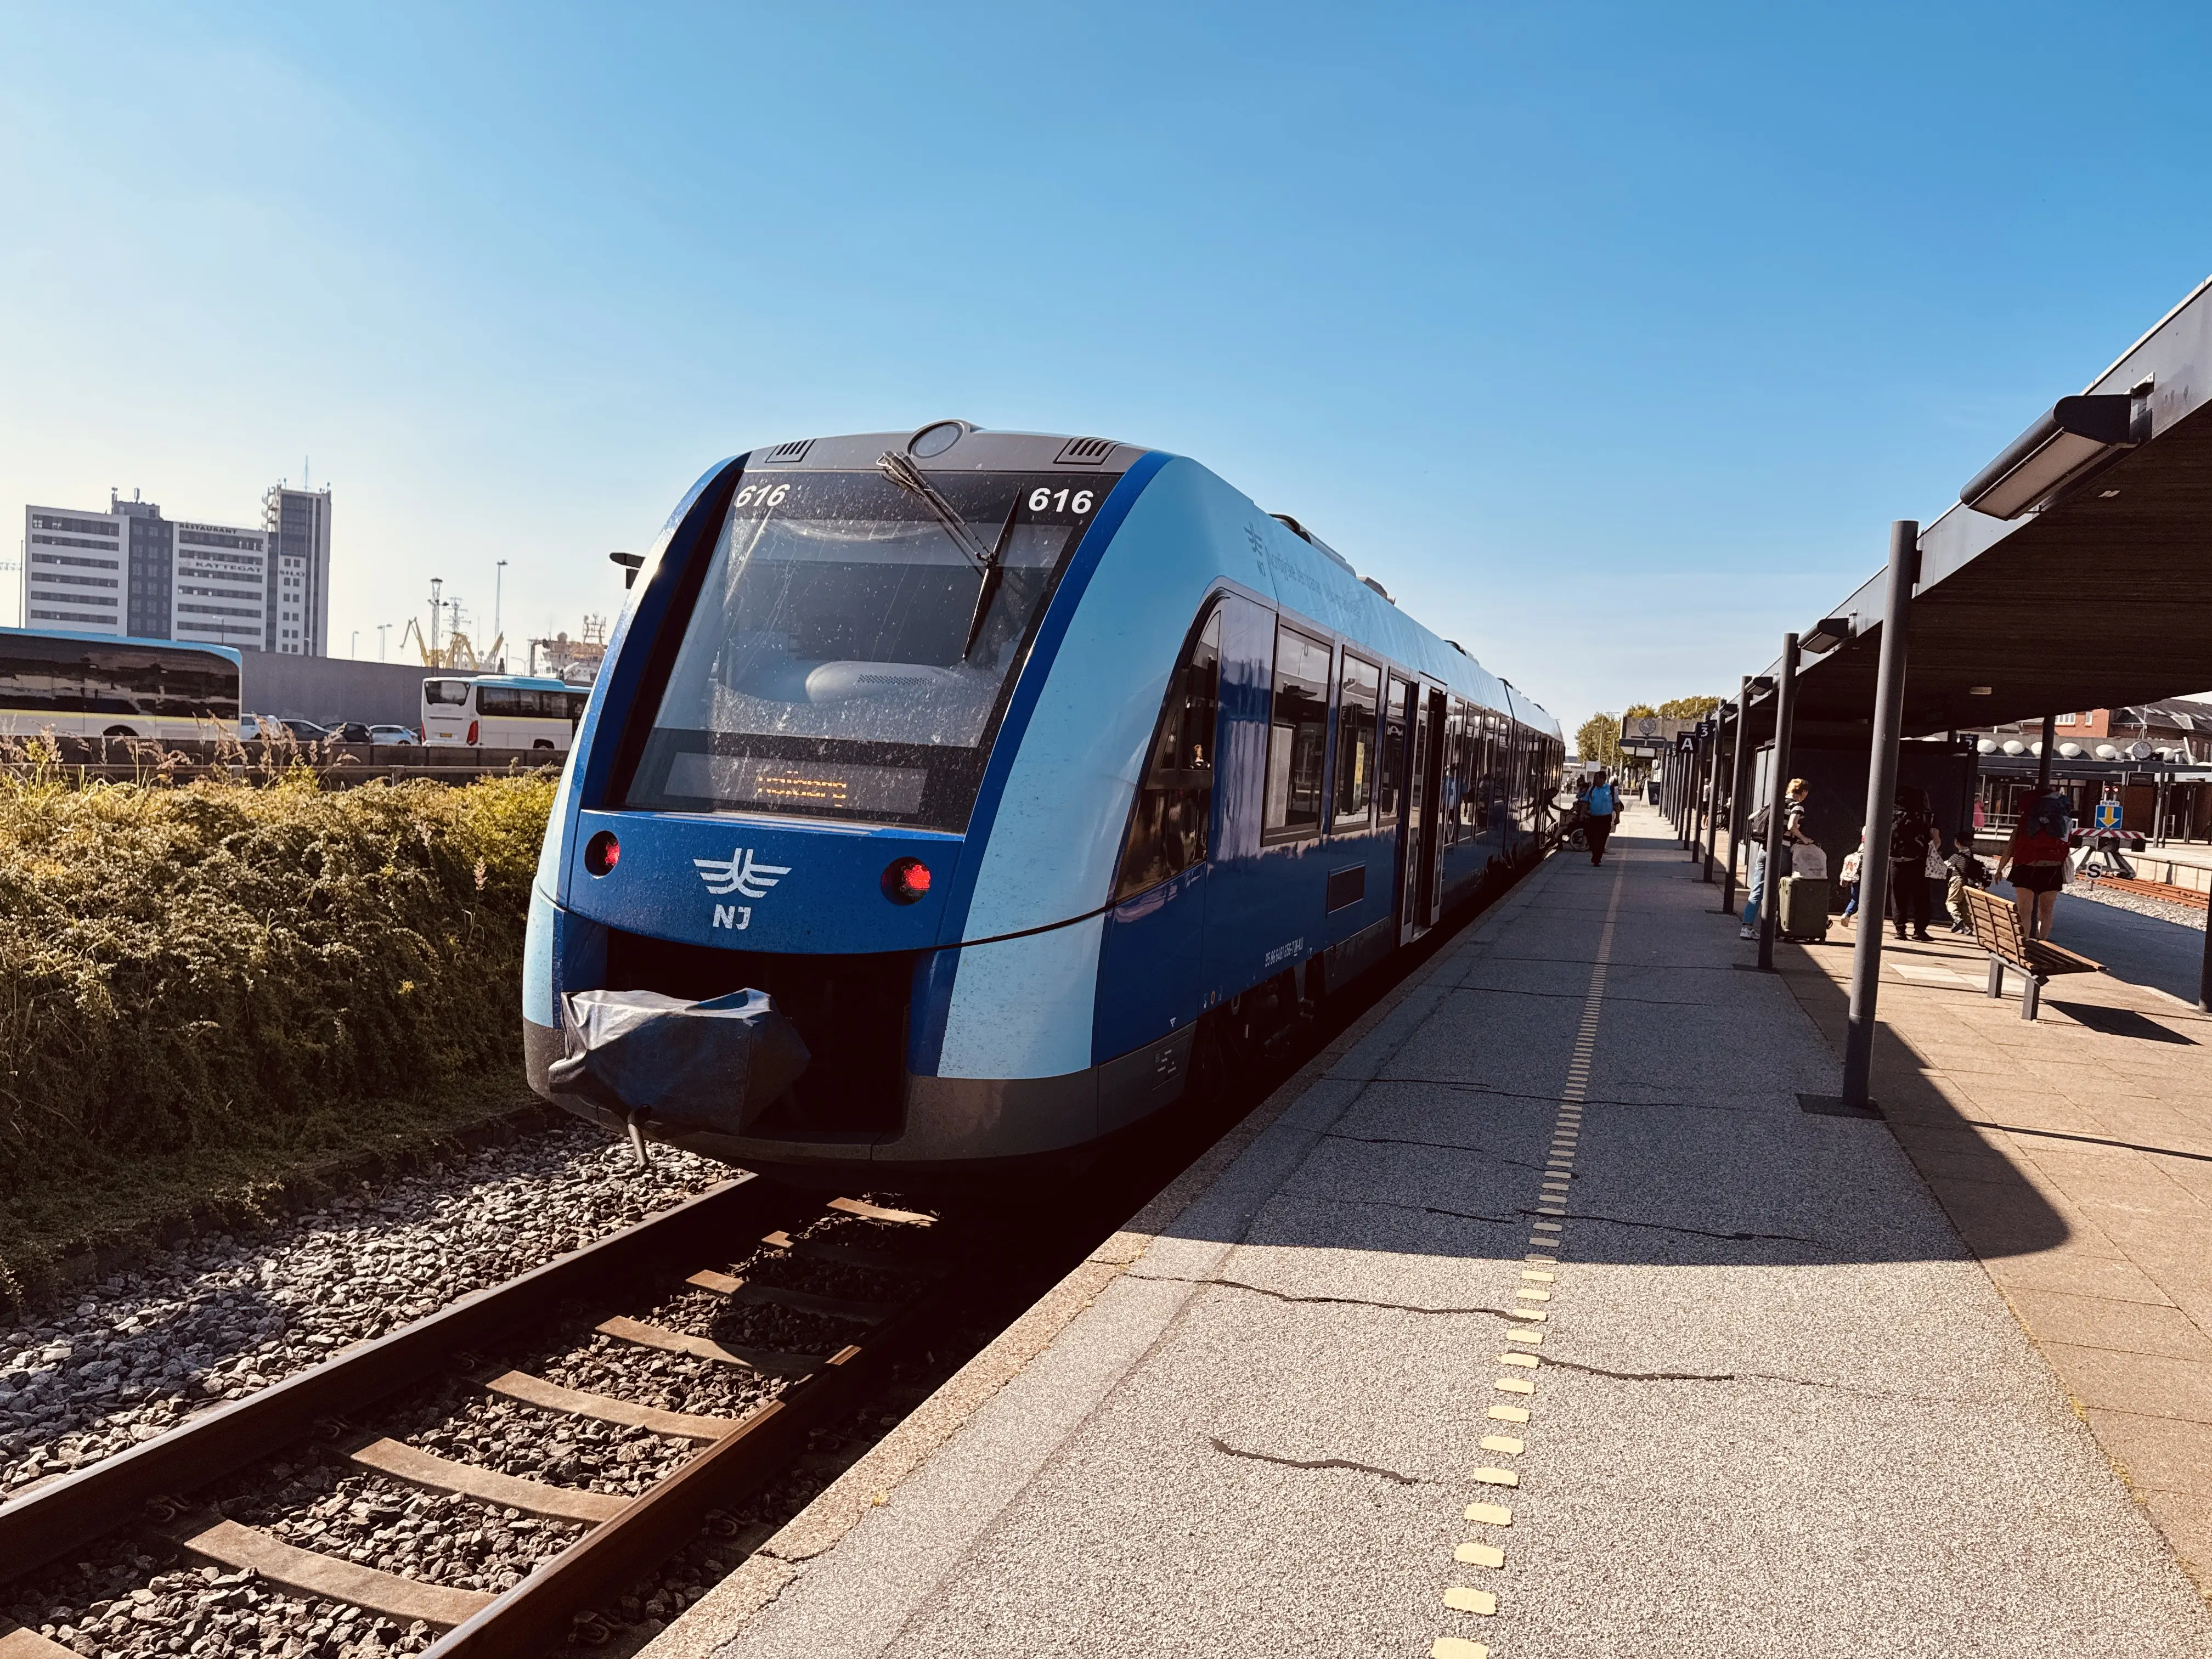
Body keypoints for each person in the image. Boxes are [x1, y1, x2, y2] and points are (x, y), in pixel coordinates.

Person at [1740, 777, 1811, 939]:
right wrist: (1804, 838)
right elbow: (1791, 826)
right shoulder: (1797, 806)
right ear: (1804, 792)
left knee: (1758, 889)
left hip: (1765, 850)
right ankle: (1778, 927)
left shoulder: (1774, 803)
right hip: (1782, 851)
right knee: (1782, 889)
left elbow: (1752, 817)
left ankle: (1747, 927)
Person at [1999, 787, 2072, 940]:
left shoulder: (2025, 824)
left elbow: (2009, 850)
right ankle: (2043, 941)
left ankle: (2025, 941)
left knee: (2024, 911)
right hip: (2052, 869)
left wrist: (2000, 870)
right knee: (2046, 912)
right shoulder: (2061, 823)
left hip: (2026, 868)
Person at [1887, 787, 1938, 942]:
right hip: (1918, 862)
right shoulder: (1926, 816)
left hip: (1896, 861)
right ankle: (1919, 931)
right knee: (1921, 897)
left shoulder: (1893, 814)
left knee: (1898, 896)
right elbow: (1936, 841)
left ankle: (1900, 930)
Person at [1945, 836, 1989, 934]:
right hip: (1970, 883)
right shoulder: (1972, 857)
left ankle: (1957, 918)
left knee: (1951, 902)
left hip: (1957, 881)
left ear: (1957, 843)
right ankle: (1969, 927)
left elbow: (1946, 865)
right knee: (1964, 905)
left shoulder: (1956, 857)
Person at [1583, 769, 1620, 865]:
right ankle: (1595, 854)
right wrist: (1582, 814)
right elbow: (1586, 803)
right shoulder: (1591, 790)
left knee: (1602, 838)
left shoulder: (1612, 789)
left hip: (1606, 818)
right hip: (1593, 818)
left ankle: (1597, 858)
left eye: (1596, 778)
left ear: (1602, 779)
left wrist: (1618, 817)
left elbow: (1617, 805)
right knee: (1591, 837)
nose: (1594, 780)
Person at [1839, 838, 1864, 923]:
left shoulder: (1854, 857)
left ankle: (1847, 914)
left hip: (1854, 878)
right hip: (1863, 878)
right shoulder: (1868, 858)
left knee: (1855, 898)